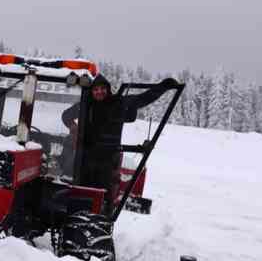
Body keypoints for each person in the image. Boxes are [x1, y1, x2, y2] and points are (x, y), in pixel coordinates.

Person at [61, 74, 178, 214]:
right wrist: (73, 128)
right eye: (96, 89)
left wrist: (163, 86)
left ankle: (101, 221)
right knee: (79, 192)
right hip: (85, 157)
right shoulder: (86, 104)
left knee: (103, 197)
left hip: (107, 159)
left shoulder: (117, 103)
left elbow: (143, 98)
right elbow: (66, 115)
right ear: (92, 91)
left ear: (108, 90)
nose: (99, 92)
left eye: (103, 89)